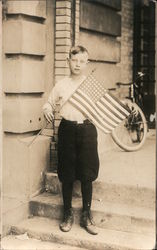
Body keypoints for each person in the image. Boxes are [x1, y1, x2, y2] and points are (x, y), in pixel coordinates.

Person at [43, 45, 99, 235]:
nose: (77, 64)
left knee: (87, 173)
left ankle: (86, 215)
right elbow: (49, 103)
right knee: (67, 173)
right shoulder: (61, 84)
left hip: (87, 130)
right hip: (67, 129)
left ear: (87, 63)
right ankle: (67, 214)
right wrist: (48, 109)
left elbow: (101, 108)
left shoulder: (90, 84)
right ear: (68, 61)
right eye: (74, 60)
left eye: (82, 61)